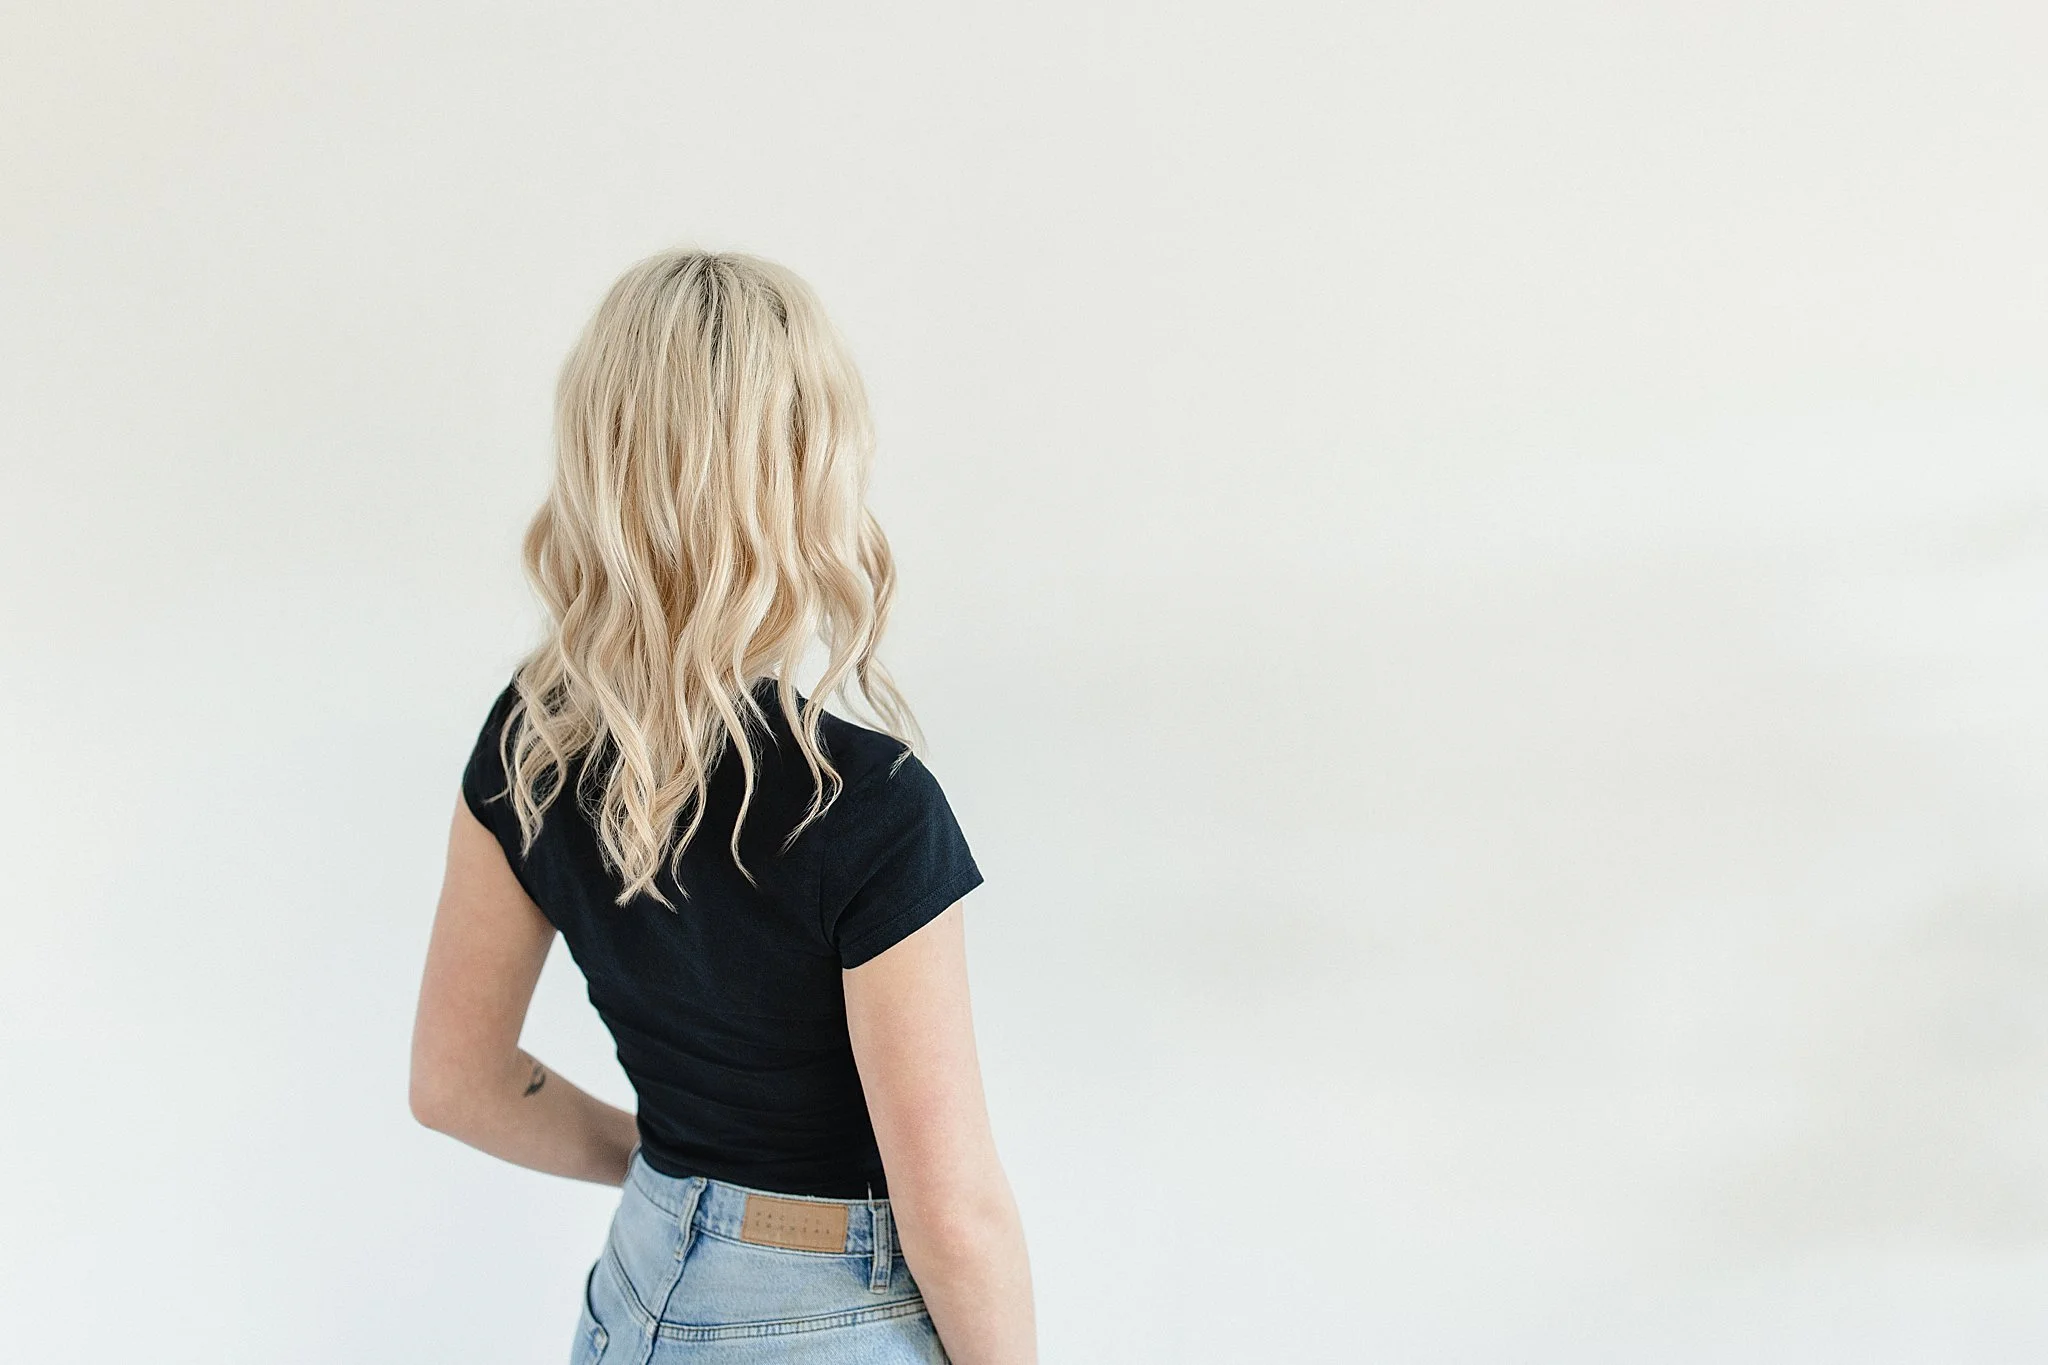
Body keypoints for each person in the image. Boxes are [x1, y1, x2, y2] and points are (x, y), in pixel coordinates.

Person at [408, 249, 1036, 1364]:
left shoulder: (531, 742)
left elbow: (457, 1085)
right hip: (828, 1316)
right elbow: (953, 1211)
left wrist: (678, 1172)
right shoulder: (869, 805)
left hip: (641, 1284)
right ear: (805, 471)